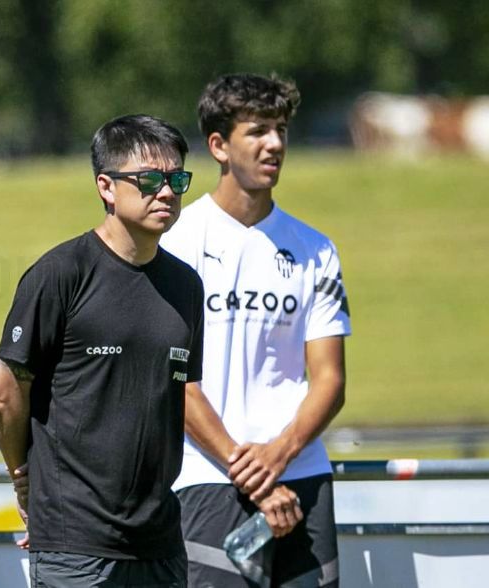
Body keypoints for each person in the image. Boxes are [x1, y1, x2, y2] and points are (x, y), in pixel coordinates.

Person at [0, 114, 205, 587]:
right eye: (149, 180)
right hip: (75, 544)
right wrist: (23, 474)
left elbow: (176, 398)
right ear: (106, 186)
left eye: (177, 180)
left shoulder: (186, 285)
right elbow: (3, 395)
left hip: (161, 542)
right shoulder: (60, 274)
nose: (166, 192)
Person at [160, 74, 351, 587]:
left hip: (301, 472)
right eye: (258, 130)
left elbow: (329, 379)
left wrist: (281, 454)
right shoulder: (176, 242)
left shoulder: (315, 248)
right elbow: (174, 379)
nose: (275, 144)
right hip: (206, 476)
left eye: (282, 129)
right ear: (219, 146)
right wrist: (248, 470)